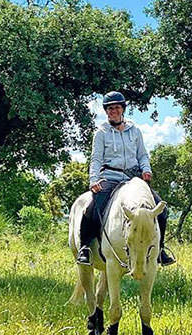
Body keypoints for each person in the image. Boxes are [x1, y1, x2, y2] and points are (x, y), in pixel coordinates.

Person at [75, 91, 175, 267]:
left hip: (133, 180)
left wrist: (146, 169)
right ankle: (85, 248)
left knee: (161, 208)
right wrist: (93, 180)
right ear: (106, 111)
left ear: (123, 109)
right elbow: (96, 158)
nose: (114, 111)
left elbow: (142, 155)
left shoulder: (135, 131)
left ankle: (160, 249)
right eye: (110, 108)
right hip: (110, 177)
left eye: (117, 107)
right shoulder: (101, 133)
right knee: (91, 208)